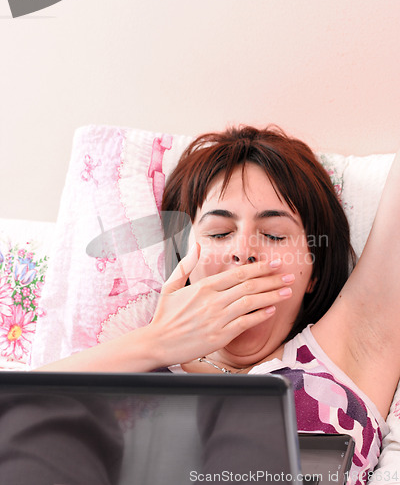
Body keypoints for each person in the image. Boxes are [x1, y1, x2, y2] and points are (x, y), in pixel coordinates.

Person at [38, 125, 400, 483]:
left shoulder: (351, 351)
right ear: (183, 259)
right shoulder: (127, 373)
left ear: (314, 272)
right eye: (219, 233)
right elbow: (18, 425)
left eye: (274, 235)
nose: (243, 251)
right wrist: (159, 341)